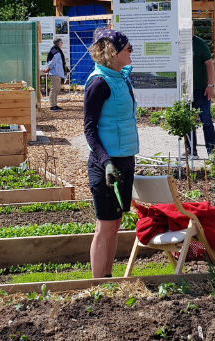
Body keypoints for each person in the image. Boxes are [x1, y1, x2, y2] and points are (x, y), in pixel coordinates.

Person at [83, 29, 139, 278]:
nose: (132, 51)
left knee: (115, 225)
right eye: (128, 47)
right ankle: (97, 285)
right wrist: (105, 161)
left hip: (125, 160)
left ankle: (109, 279)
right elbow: (89, 130)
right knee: (104, 227)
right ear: (113, 53)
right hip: (105, 165)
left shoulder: (121, 77)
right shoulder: (99, 83)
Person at [184, 34, 215, 159]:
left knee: (206, 120)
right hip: (185, 90)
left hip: (200, 89)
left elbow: (209, 64)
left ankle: (212, 152)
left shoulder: (199, 43)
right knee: (187, 121)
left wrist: (210, 85)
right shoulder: (179, 43)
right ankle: (191, 151)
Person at [43, 38, 67, 111]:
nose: (62, 44)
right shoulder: (56, 52)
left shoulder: (54, 50)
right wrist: (48, 68)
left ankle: (55, 104)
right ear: (59, 43)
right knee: (54, 89)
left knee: (56, 89)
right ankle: (52, 105)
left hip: (57, 73)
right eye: (61, 42)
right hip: (55, 73)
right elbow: (53, 62)